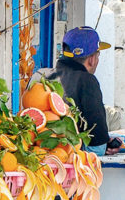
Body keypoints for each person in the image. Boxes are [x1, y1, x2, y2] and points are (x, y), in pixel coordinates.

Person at [47, 26, 120, 156]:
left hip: (42, 154)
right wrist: (106, 145)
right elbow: (96, 148)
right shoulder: (87, 81)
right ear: (92, 59)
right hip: (70, 159)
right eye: (98, 55)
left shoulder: (43, 76)